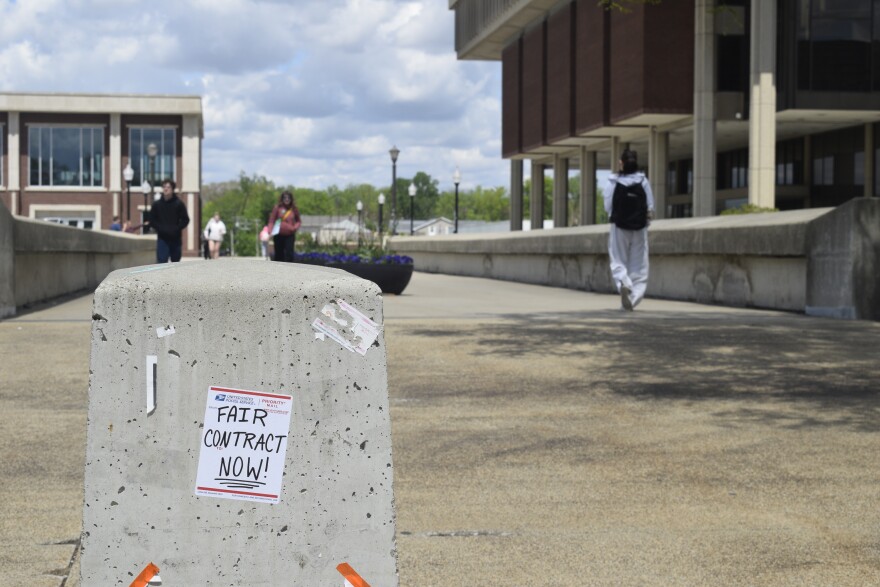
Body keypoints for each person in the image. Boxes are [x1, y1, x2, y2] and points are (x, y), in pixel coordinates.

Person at [603, 149, 654, 311]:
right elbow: (650, 206)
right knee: (639, 267)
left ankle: (624, 283)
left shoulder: (613, 181)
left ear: (621, 163)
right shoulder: (643, 181)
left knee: (618, 260)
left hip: (619, 227)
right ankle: (633, 298)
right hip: (639, 228)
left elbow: (607, 206)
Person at [146, 178, 190, 263]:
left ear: (172, 189)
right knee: (161, 262)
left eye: (168, 187)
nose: (166, 189)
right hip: (162, 238)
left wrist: (177, 228)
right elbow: (151, 220)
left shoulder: (179, 204)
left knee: (175, 263)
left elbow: (185, 219)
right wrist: (160, 228)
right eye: (164, 187)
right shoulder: (157, 204)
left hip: (175, 238)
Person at [267, 191, 301, 262]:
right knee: (279, 255)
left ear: (291, 199)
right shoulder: (277, 208)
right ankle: (278, 271)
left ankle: (289, 271)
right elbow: (271, 220)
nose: (287, 199)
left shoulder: (294, 209)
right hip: (278, 234)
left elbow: (298, 221)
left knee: (289, 255)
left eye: (288, 198)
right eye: (285, 198)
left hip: (289, 235)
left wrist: (295, 227)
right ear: (282, 199)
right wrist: (270, 230)